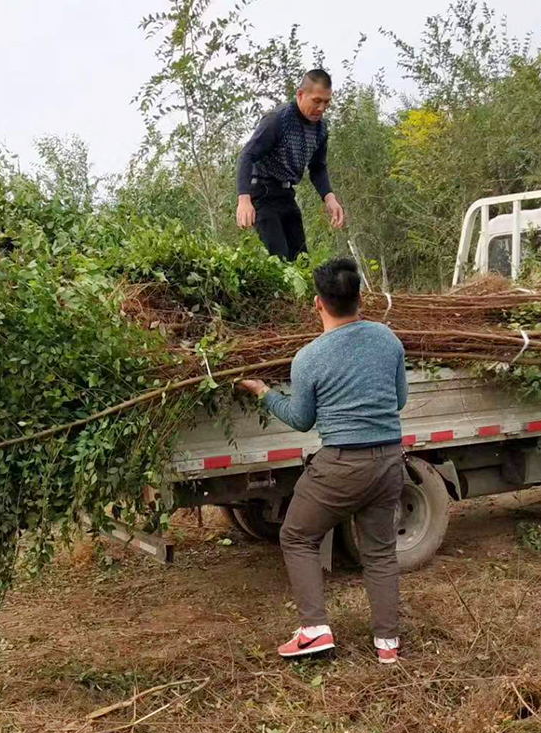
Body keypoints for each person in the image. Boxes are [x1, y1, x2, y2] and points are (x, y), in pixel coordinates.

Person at [238, 258, 407, 664]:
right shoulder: (388, 340)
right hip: (389, 461)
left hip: (342, 465)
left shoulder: (309, 358)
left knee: (297, 536)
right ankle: (387, 645)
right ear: (359, 298)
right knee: (380, 552)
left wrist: (263, 392)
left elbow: (301, 419)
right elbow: (399, 400)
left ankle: (314, 630)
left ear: (318, 304)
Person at [236, 69, 345, 261]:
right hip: (263, 193)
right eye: (316, 101)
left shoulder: (321, 129)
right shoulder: (278, 120)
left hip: (286, 195)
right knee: (279, 259)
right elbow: (248, 155)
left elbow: (318, 167)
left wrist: (329, 198)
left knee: (301, 259)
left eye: (326, 102)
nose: (321, 108)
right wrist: (244, 201)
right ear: (301, 95)